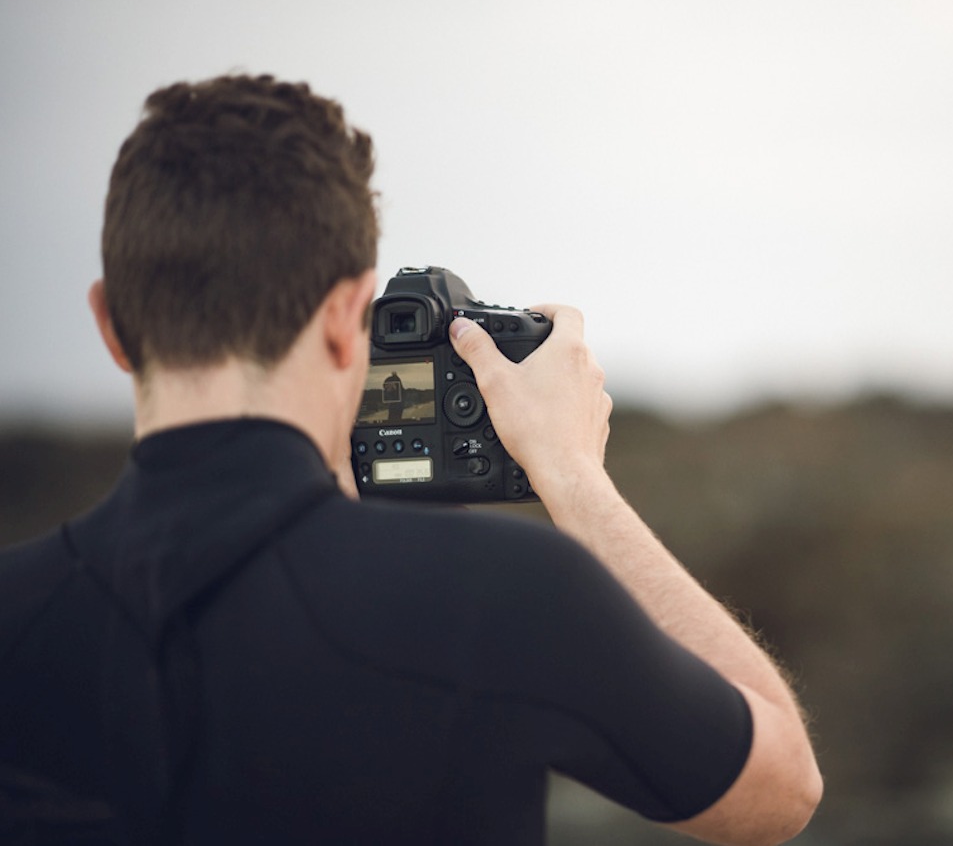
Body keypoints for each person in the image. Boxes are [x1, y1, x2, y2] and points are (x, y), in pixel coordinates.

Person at [0, 74, 822, 845]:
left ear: (110, 324)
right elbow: (780, 785)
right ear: (346, 317)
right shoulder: (502, 594)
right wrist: (571, 473)